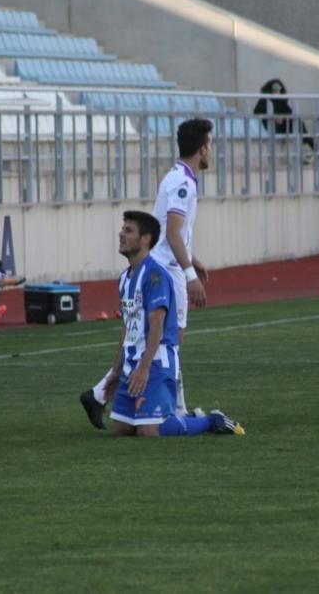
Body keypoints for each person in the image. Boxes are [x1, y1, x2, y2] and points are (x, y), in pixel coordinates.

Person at [81, 118, 213, 429]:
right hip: (167, 269)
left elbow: (168, 230)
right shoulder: (183, 183)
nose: (211, 152)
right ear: (203, 148)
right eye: (210, 146)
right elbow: (173, 234)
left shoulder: (175, 176)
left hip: (158, 265)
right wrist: (189, 273)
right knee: (171, 341)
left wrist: (193, 258)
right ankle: (176, 409)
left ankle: (100, 393)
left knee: (141, 334)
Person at [105, 211, 244, 437]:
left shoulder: (155, 276)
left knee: (149, 430)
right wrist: (116, 370)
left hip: (157, 361)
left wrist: (144, 368)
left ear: (145, 239)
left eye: (128, 230)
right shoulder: (125, 278)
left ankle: (211, 421)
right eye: (122, 229)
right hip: (133, 363)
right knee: (122, 429)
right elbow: (127, 328)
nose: (121, 234)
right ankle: (179, 417)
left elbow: (157, 325)